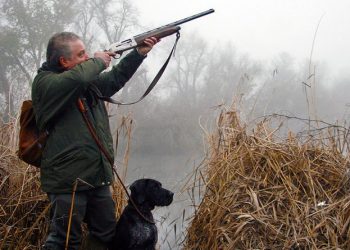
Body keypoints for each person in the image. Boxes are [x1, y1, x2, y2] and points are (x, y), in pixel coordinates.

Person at [31, 31, 159, 249]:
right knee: (64, 241)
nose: (87, 57)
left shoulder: (85, 83)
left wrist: (138, 53)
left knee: (105, 235)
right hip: (68, 181)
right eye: (81, 54)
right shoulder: (46, 84)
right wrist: (99, 60)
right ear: (64, 61)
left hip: (97, 175)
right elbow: (79, 76)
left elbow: (114, 79)